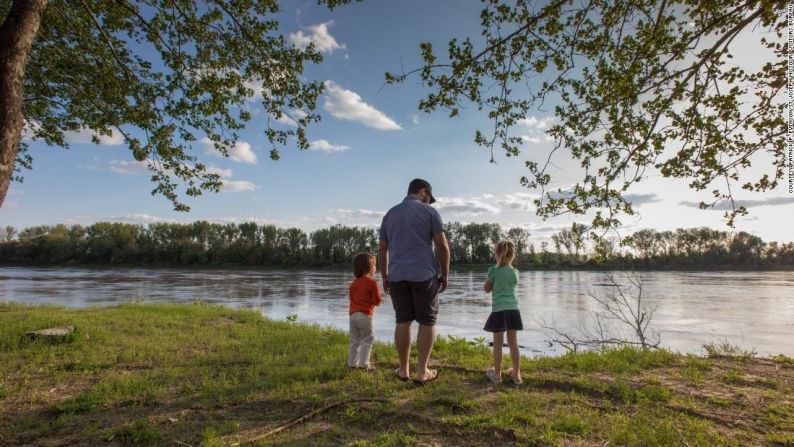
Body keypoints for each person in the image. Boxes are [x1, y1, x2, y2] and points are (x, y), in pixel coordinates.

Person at [379, 178, 450, 384]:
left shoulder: (390, 214)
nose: (429, 202)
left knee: (403, 320)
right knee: (427, 321)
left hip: (397, 276)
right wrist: (444, 274)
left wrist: (384, 276)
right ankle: (422, 371)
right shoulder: (430, 213)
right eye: (429, 198)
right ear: (423, 191)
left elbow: (383, 249)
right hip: (424, 275)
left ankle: (403, 370)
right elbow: (442, 245)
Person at [483, 240, 523, 385]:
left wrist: (490, 280)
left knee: (498, 344)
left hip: (499, 310)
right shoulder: (515, 272)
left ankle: (497, 375)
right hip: (513, 309)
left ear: (497, 254)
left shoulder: (493, 271)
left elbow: (487, 289)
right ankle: (516, 375)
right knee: (513, 343)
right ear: (512, 256)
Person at [348, 252, 382, 371]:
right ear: (369, 268)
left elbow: (352, 300)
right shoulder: (372, 282)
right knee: (367, 340)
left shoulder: (353, 283)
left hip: (353, 316)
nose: (375, 268)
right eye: (374, 266)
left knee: (355, 340)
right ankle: (364, 365)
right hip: (366, 315)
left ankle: (352, 363)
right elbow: (378, 301)